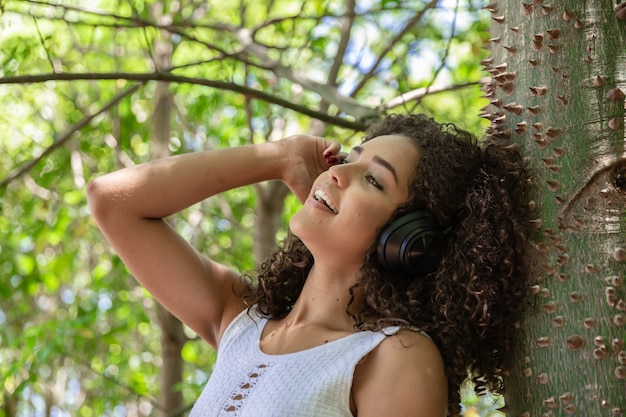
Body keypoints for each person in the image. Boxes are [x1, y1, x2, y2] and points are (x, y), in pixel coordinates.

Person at [87, 113, 531, 417]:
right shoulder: (240, 322)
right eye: (349, 158)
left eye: (373, 179)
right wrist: (279, 156)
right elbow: (111, 201)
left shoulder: (395, 357)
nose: (339, 173)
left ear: (410, 240)